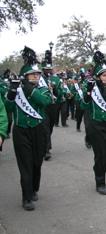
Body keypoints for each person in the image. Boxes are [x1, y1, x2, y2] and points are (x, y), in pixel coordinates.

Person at [4, 47, 51, 210]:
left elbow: (44, 101)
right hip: (21, 130)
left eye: (37, 74)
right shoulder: (17, 90)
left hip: (38, 129)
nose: (36, 76)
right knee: (25, 163)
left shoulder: (41, 89)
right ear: (25, 76)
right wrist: (12, 91)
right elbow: (8, 108)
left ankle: (34, 188)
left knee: (36, 162)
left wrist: (28, 87)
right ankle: (26, 196)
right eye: (32, 74)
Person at [81, 51, 106, 195]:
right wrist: (88, 92)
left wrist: (103, 89)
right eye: (104, 75)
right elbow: (83, 106)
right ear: (97, 76)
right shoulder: (90, 87)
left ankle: (99, 170)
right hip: (95, 123)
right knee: (101, 154)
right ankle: (100, 182)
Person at [41, 50, 63, 160]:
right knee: (45, 127)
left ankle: (44, 144)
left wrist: (54, 89)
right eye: (46, 69)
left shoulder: (56, 80)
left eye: (49, 69)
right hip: (43, 105)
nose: (48, 71)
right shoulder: (39, 79)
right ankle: (46, 149)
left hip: (53, 105)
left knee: (50, 126)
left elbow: (61, 94)